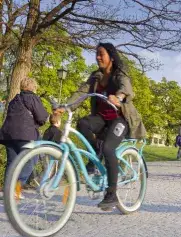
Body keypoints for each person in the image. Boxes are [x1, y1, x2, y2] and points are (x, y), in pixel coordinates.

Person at [56, 42, 146, 209]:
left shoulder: (119, 73)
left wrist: (118, 97)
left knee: (108, 149)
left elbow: (126, 88)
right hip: (102, 119)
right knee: (83, 123)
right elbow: (81, 92)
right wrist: (65, 107)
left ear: (111, 57)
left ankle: (111, 194)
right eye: (96, 54)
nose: (97, 57)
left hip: (120, 119)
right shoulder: (95, 76)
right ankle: (95, 154)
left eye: (101, 54)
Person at [0, 77, 49, 199]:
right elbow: (42, 117)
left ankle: (7, 190)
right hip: (25, 135)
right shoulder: (33, 98)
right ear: (33, 87)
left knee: (12, 162)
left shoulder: (14, 100)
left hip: (9, 135)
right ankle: (17, 188)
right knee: (30, 160)